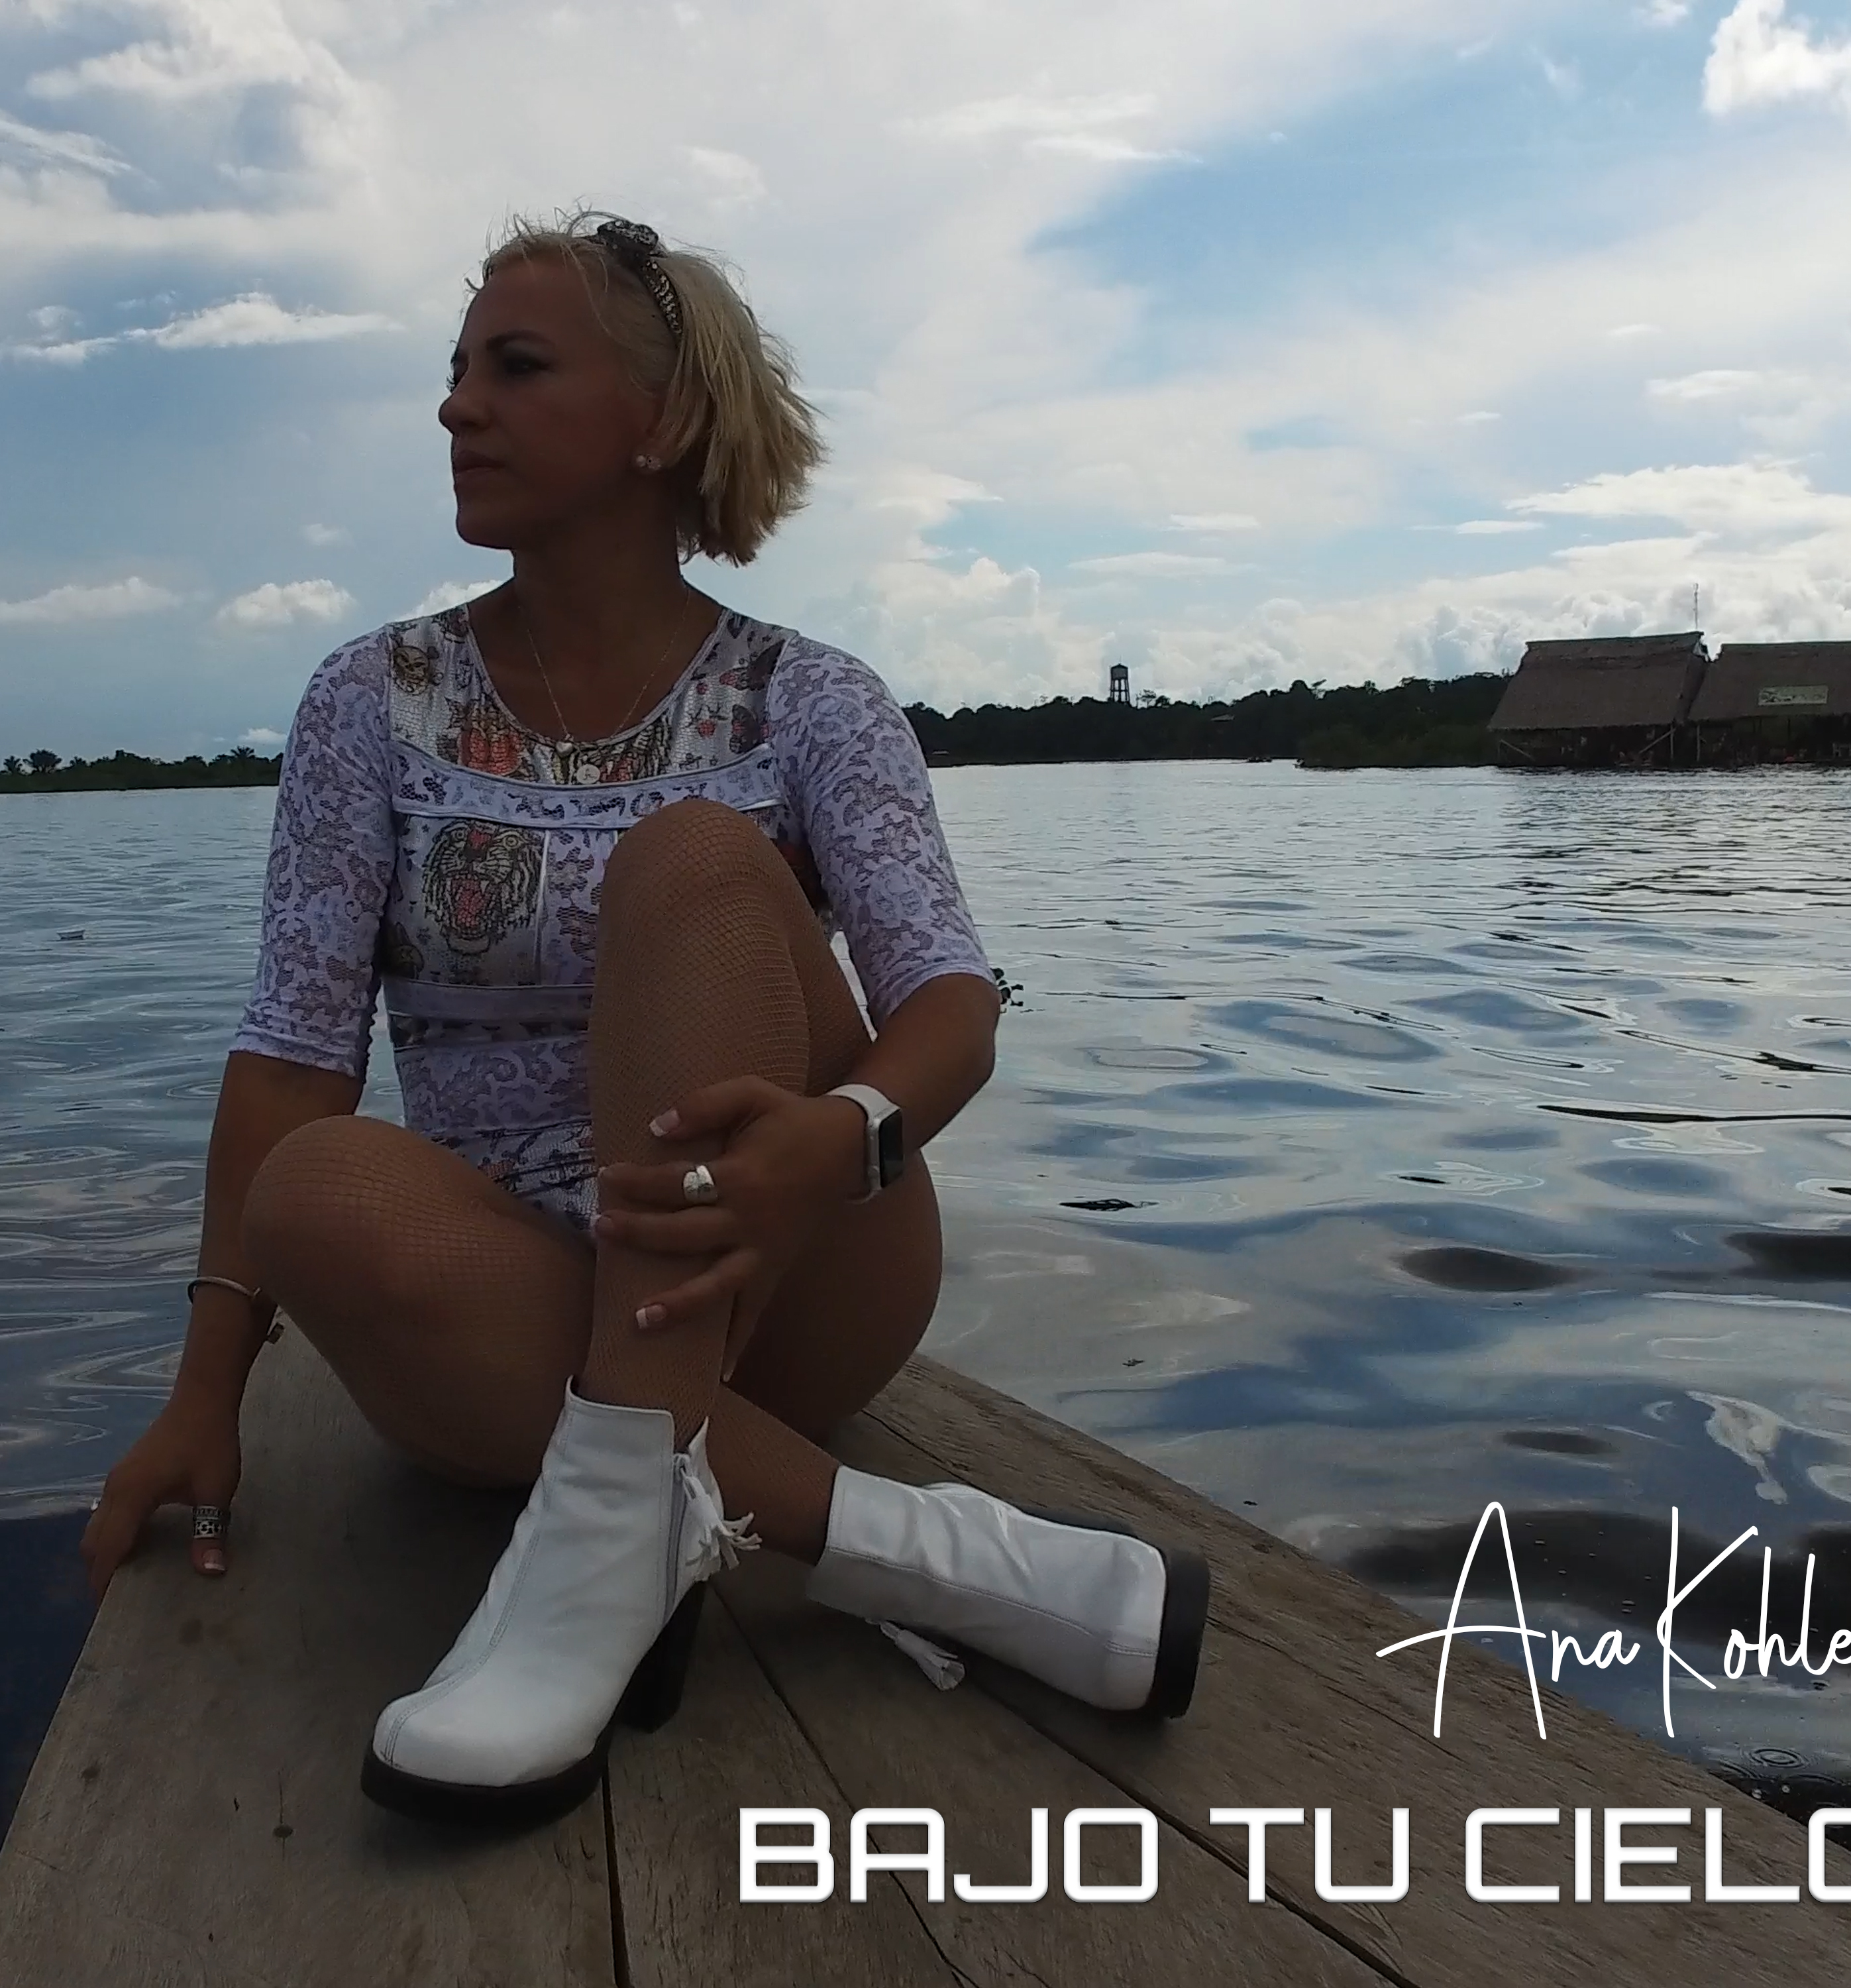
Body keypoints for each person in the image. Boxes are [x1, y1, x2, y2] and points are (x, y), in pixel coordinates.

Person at [80, 211, 1207, 1826]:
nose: (457, 405)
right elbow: (287, 1063)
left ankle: (604, 1552)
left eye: (515, 367)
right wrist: (203, 1395)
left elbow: (953, 1001)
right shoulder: (369, 703)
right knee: (312, 1185)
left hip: (794, 1263)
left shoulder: (806, 699)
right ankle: (910, 1550)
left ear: (664, 420)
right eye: (456, 371)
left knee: (692, 861)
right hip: (499, 1305)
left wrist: (844, 1137)